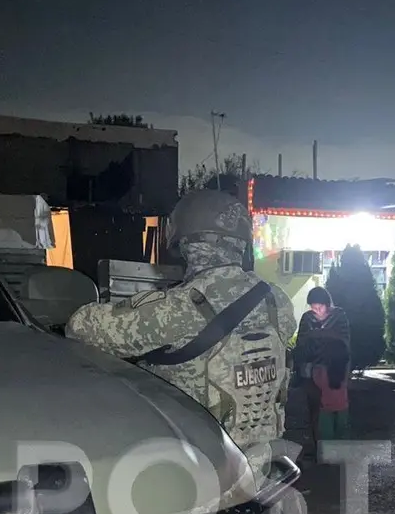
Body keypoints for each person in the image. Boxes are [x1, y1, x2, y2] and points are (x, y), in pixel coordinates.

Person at [65, 189, 296, 480]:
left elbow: (80, 327)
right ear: (241, 244)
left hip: (195, 465)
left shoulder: (179, 307)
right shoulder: (278, 300)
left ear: (184, 243)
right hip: (262, 461)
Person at [294, 286, 350, 457]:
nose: (316, 310)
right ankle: (318, 445)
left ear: (327, 304)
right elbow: (301, 342)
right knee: (314, 410)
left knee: (333, 409)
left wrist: (325, 335)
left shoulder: (339, 316)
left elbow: (345, 342)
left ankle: (334, 447)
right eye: (313, 307)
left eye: (319, 306)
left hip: (334, 370)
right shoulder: (307, 318)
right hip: (310, 372)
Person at [311, 334, 351, 446]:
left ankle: (329, 459)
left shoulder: (321, 371)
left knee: (326, 437)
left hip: (326, 406)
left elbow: (317, 383)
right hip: (342, 405)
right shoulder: (344, 371)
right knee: (341, 435)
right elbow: (348, 360)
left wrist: (316, 364)